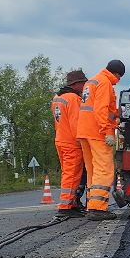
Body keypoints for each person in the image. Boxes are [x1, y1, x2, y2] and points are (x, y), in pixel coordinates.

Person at [78, 59, 123, 220]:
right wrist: (107, 132)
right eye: (119, 78)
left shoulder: (92, 81)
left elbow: (97, 108)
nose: (118, 82)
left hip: (84, 131)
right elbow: (100, 109)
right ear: (116, 74)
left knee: (92, 170)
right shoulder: (105, 83)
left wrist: (117, 113)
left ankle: (92, 205)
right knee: (104, 169)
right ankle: (98, 208)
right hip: (97, 132)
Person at [50, 69, 88, 219]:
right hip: (72, 143)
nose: (85, 85)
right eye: (83, 83)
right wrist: (83, 142)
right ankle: (66, 206)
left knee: (68, 173)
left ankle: (71, 204)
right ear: (77, 84)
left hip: (60, 139)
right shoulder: (74, 99)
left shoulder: (57, 98)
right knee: (72, 175)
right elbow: (76, 123)